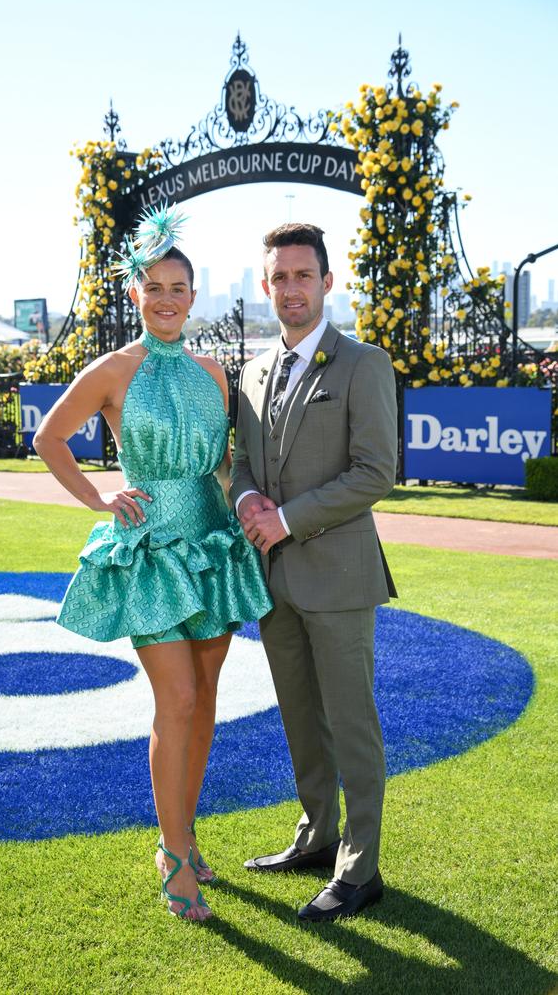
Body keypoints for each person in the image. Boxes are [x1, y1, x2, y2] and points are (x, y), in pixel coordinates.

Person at [34, 207, 272, 922]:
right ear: (134, 294)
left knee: (204, 699)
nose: (167, 299)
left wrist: (246, 515)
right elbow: (50, 439)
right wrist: (98, 498)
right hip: (150, 550)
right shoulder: (111, 370)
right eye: (155, 287)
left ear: (193, 298)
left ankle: (186, 835)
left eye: (179, 288)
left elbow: (228, 466)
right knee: (177, 701)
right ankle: (173, 856)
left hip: (210, 547)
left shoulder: (212, 373)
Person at [230, 222, 397, 923]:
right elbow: (242, 461)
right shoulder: (254, 370)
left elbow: (376, 472)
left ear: (328, 282)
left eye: (304, 275)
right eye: (280, 278)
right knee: (301, 718)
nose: (291, 289)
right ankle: (317, 835)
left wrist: (289, 518)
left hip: (339, 575)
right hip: (276, 582)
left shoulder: (363, 363)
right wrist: (244, 498)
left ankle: (359, 870)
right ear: (266, 287)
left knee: (350, 722)